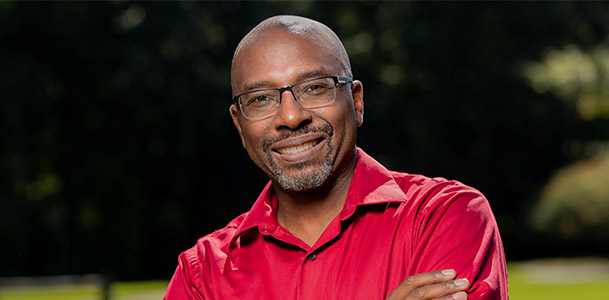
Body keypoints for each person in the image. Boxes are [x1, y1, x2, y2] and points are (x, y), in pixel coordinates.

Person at [164, 15, 508, 300]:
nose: (290, 117)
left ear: (356, 102)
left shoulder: (443, 217)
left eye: (315, 87)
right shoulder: (203, 274)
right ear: (240, 126)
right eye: (261, 99)